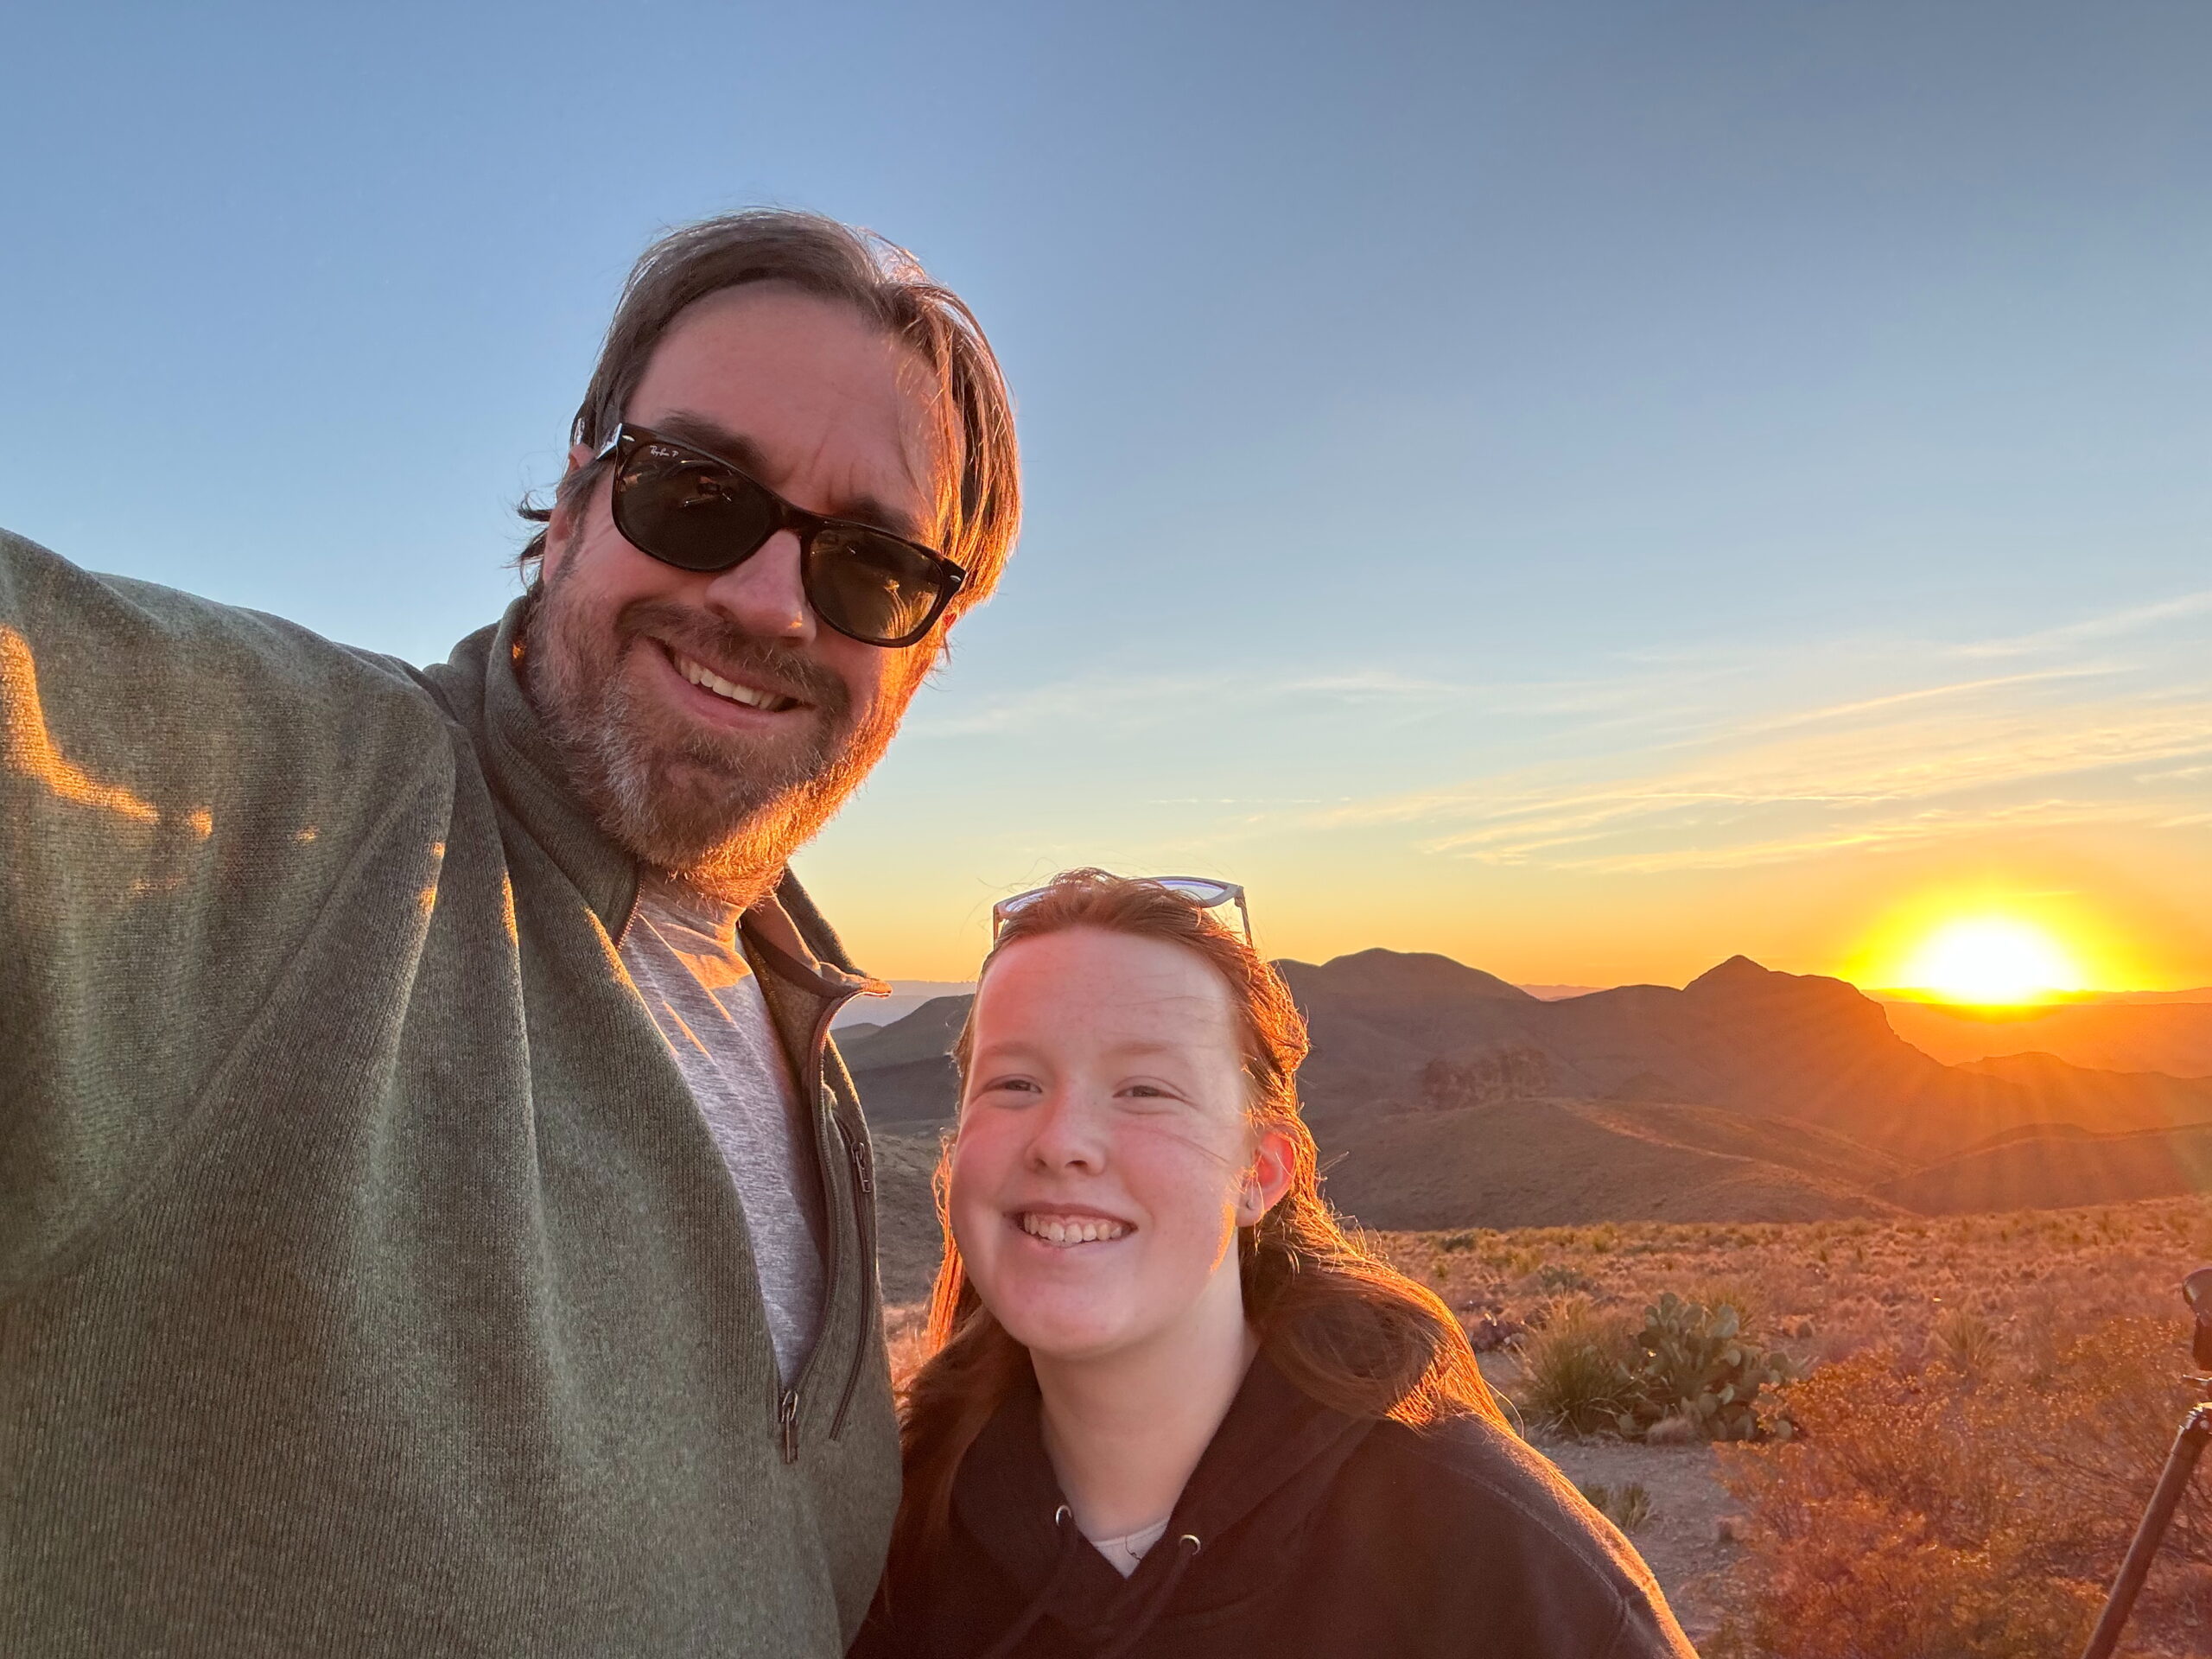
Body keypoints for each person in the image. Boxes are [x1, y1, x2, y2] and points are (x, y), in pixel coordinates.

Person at [0, 210, 1018, 1656]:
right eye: (698, 490)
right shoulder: (295, 811)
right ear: (577, 493)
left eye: (872, 566)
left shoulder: (810, 1033)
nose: (767, 599)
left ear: (923, 646)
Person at [855, 870, 1699, 1658]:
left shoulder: (1487, 1560)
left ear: (1259, 1173)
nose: (1062, 1142)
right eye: (1013, 1084)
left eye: (1144, 1089)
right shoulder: (888, 1547)